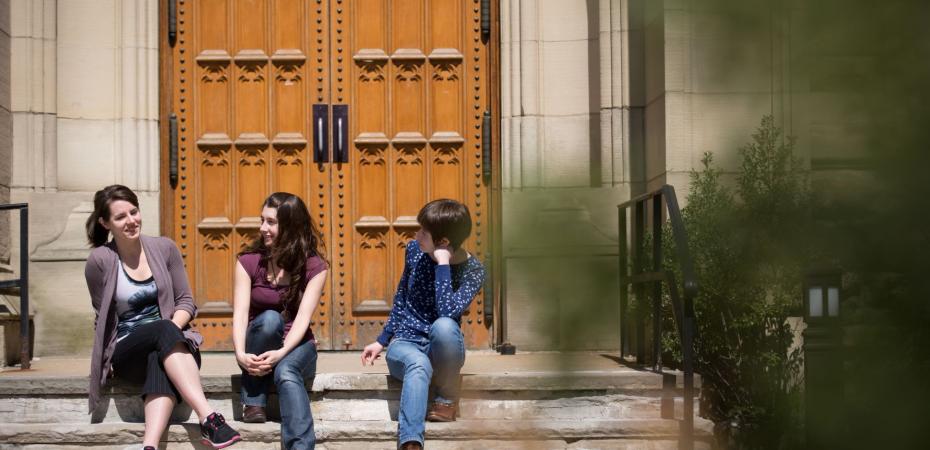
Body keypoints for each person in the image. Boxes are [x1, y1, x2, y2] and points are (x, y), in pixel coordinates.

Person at [84, 185, 241, 450]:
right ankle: (209, 418)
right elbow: (103, 317)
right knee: (162, 331)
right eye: (121, 217)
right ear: (105, 222)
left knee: (160, 352)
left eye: (134, 212)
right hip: (128, 350)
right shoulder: (100, 260)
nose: (131, 221)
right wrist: (104, 360)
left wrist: (170, 330)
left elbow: (186, 302)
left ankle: (150, 445)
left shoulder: (164, 248)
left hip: (172, 345)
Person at [361, 199, 485, 450]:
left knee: (444, 326)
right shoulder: (414, 251)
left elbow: (447, 311)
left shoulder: (474, 270)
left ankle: (446, 400)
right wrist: (382, 340)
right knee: (417, 364)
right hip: (406, 344)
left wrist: (442, 265)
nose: (416, 235)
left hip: (440, 348)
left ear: (444, 242)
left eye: (423, 232)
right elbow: (401, 297)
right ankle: (411, 443)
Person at [232, 192, 328, 450]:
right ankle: (254, 397)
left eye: (271, 222)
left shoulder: (315, 266)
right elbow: (241, 313)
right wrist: (240, 352)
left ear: (290, 225)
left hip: (297, 344)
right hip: (260, 342)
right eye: (262, 220)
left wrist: (283, 353)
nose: (263, 228)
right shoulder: (248, 261)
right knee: (271, 320)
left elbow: (303, 319)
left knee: (286, 371)